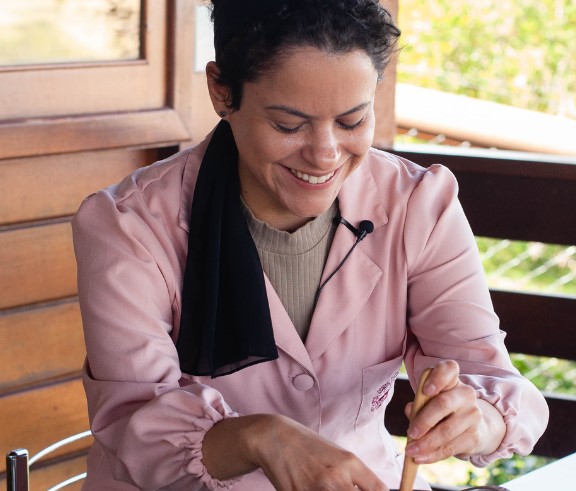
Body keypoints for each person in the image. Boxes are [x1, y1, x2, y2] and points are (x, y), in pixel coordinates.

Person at [72, 1, 549, 489]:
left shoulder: (417, 205)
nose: (324, 155)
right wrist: (261, 437)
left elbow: (495, 380)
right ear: (222, 91)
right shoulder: (128, 226)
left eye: (351, 122)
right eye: (288, 124)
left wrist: (479, 420)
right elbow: (135, 433)